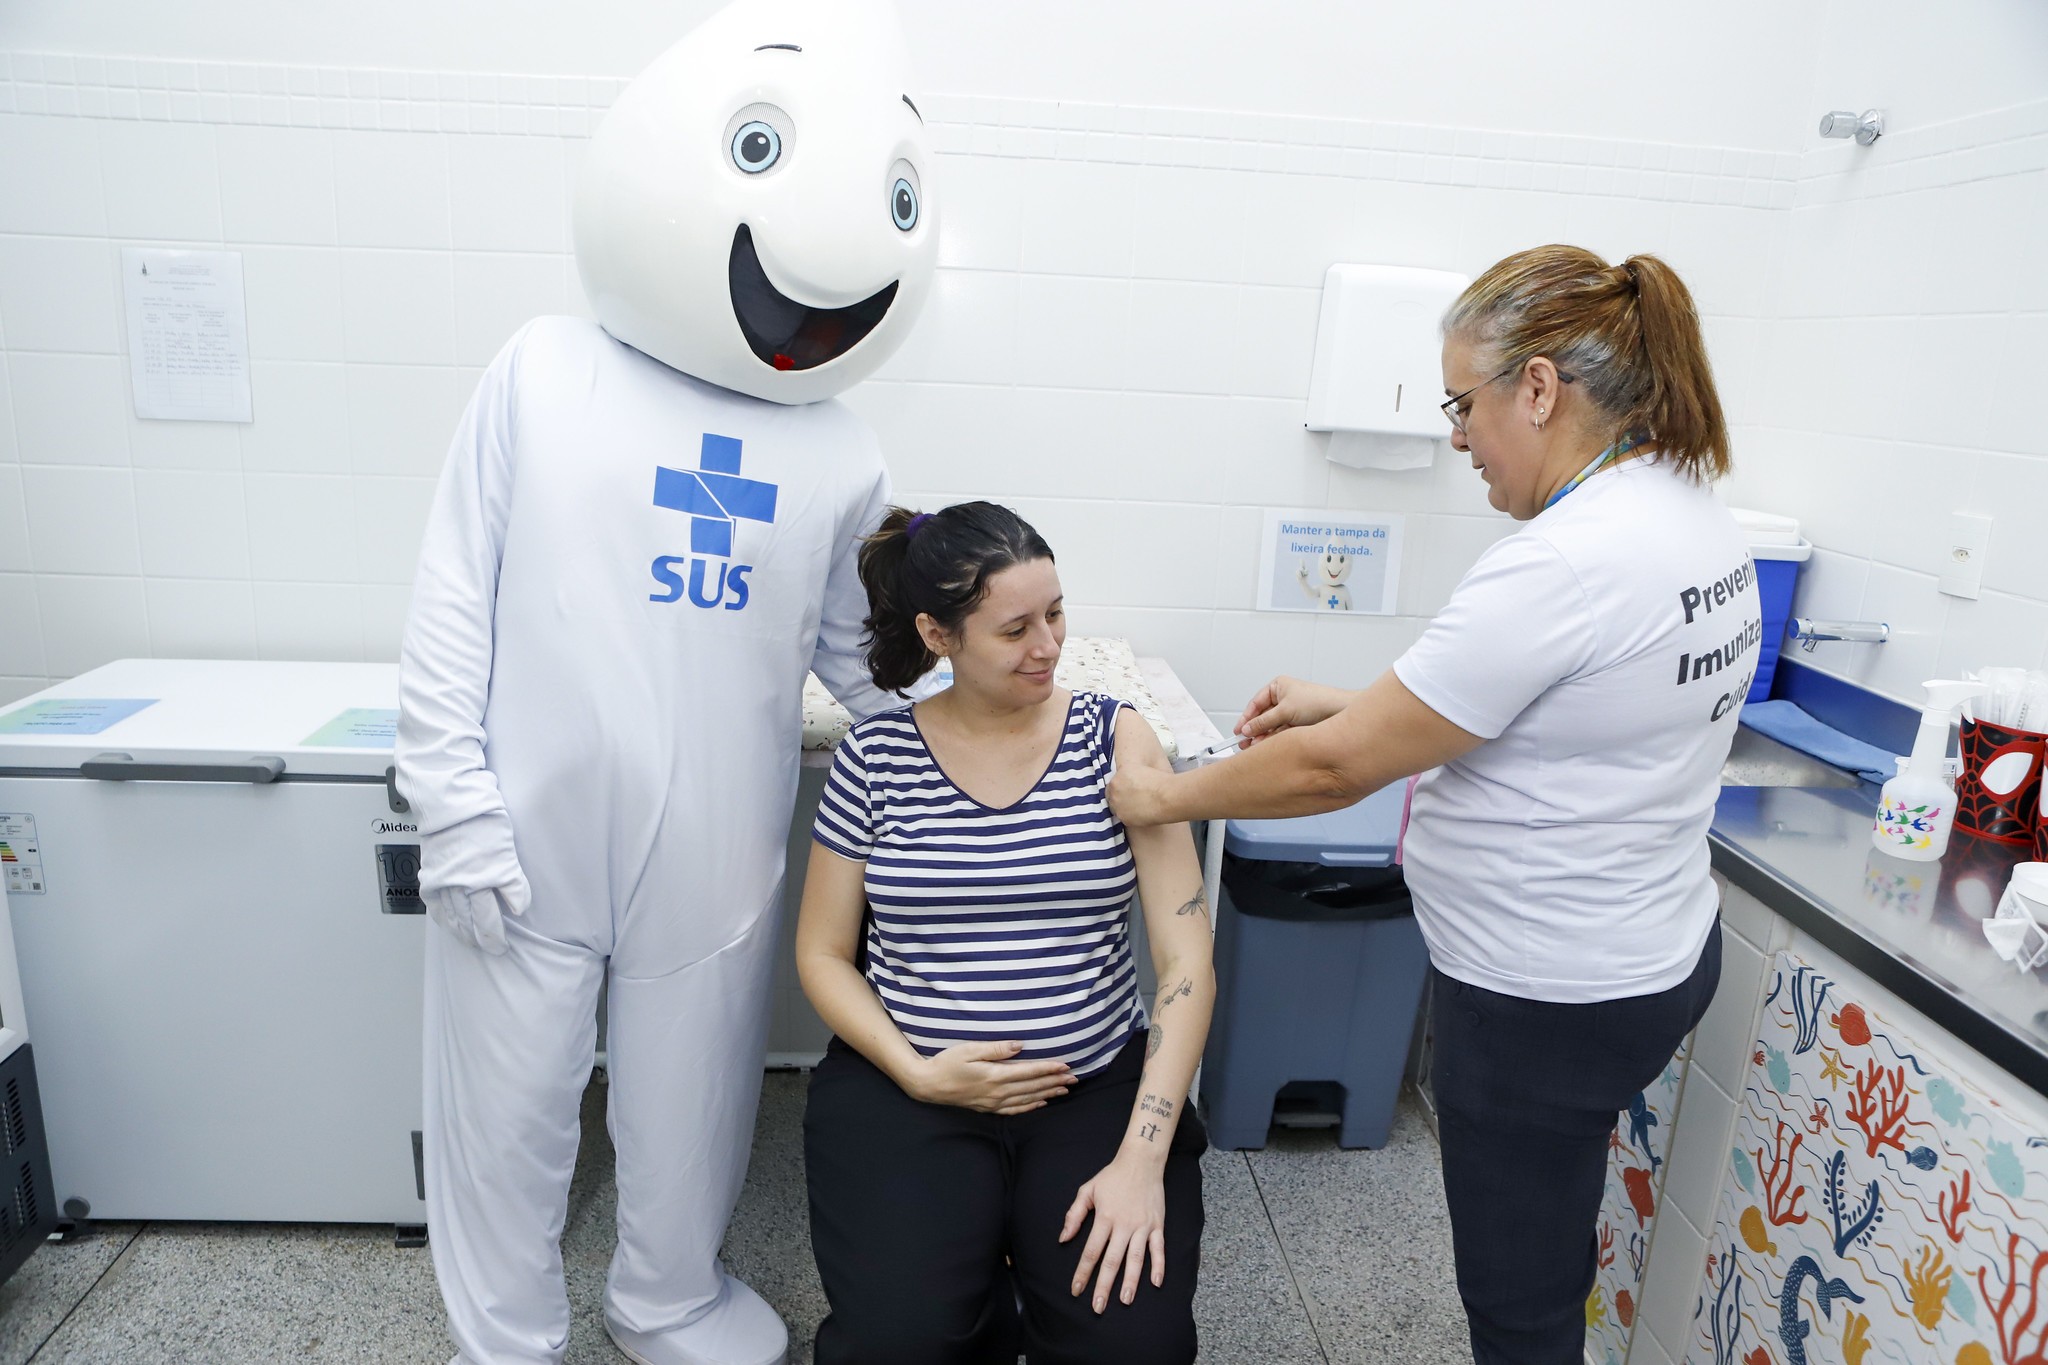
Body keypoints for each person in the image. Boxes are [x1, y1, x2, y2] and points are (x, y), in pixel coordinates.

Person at [393, 3, 940, 1362]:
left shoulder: (841, 446)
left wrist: (954, 737)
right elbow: (452, 599)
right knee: (507, 1109)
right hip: (527, 827)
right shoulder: (543, 371)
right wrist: (449, 806)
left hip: (717, 840)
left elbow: (841, 649)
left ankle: (665, 1294)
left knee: (692, 1098)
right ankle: (506, 1333)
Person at [1108, 246, 1758, 1365]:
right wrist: (1348, 702)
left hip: (1541, 996)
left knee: (1517, 1295)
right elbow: (1555, 709)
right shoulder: (1686, 516)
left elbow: (1330, 773)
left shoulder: (1563, 561)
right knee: (1547, 1224)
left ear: (1539, 387)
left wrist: (1161, 794)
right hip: (1646, 953)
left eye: (1463, 403)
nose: (1456, 436)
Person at [795, 502, 1214, 1365]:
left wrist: (1143, 1158)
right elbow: (823, 954)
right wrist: (918, 1071)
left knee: (1132, 1348)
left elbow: (1185, 960)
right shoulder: (874, 759)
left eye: (1056, 613)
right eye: (1015, 627)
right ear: (938, 635)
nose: (1049, 645)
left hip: (1091, 1087)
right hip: (913, 1090)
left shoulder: (1116, 736)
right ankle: (985, 1285)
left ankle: (1020, 1279)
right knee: (897, 1344)